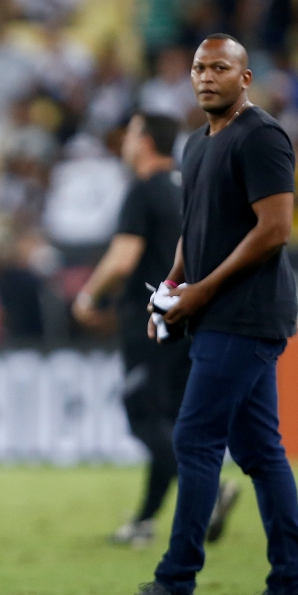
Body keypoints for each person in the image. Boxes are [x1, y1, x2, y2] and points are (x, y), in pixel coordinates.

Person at [103, 35, 298, 595]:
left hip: (246, 315)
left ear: (245, 78)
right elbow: (191, 232)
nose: (206, 76)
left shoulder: (263, 136)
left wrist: (202, 290)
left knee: (195, 441)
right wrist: (171, 290)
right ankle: (291, 588)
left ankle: (176, 588)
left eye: (220, 67)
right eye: (199, 67)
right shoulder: (196, 146)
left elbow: (275, 228)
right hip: (214, 313)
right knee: (259, 451)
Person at [73, 113, 240, 548]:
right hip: (191, 316)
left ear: (145, 142)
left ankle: (210, 489)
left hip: (150, 322)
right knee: (170, 421)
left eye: (129, 133)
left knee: (143, 415)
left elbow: (123, 259)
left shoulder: (143, 189)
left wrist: (89, 296)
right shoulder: (189, 188)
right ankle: (145, 521)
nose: (124, 142)